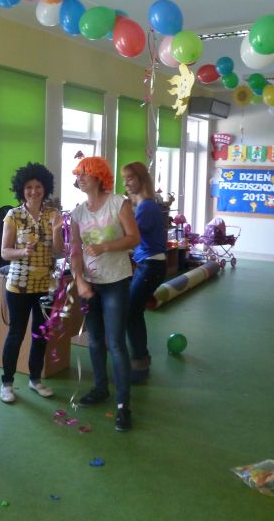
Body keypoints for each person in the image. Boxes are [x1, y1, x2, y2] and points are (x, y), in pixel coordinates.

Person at [70, 157, 140, 431]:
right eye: (78, 174)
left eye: (85, 173)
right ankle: (100, 388)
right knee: (95, 340)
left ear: (99, 177)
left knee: (116, 343)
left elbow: (134, 238)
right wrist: (79, 281)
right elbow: (75, 252)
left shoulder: (118, 203)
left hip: (116, 281)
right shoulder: (77, 214)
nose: (80, 178)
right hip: (90, 283)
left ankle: (123, 405)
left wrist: (105, 247)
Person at [0, 163, 64, 403]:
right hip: (19, 285)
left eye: (38, 186)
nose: (34, 191)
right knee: (16, 334)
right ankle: (7, 383)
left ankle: (35, 379)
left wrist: (57, 231)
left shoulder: (53, 215)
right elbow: (4, 252)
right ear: (21, 189)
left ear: (45, 188)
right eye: (28, 187)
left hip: (45, 285)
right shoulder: (13, 215)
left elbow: (59, 251)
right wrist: (22, 252)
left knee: (40, 334)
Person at [122, 162, 167, 383]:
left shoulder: (146, 207)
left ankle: (140, 365)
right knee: (134, 312)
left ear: (141, 179)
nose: (127, 184)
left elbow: (131, 236)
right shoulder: (144, 205)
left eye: (131, 178)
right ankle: (140, 361)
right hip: (148, 264)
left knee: (131, 313)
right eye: (125, 180)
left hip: (151, 265)